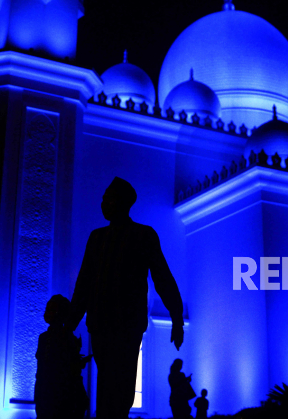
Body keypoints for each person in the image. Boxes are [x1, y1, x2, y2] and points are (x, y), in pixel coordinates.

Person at [68, 177, 184, 419]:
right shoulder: (96, 238)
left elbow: (162, 277)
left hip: (127, 326)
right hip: (101, 324)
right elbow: (84, 284)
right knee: (109, 386)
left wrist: (176, 316)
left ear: (122, 203)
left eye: (108, 199)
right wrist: (68, 325)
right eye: (103, 199)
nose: (103, 204)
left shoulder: (143, 235)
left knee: (120, 391)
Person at [34, 294, 90, 419]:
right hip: (45, 392)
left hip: (60, 394)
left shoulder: (67, 339)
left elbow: (69, 369)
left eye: (51, 309)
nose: (47, 312)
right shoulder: (44, 338)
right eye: (47, 309)